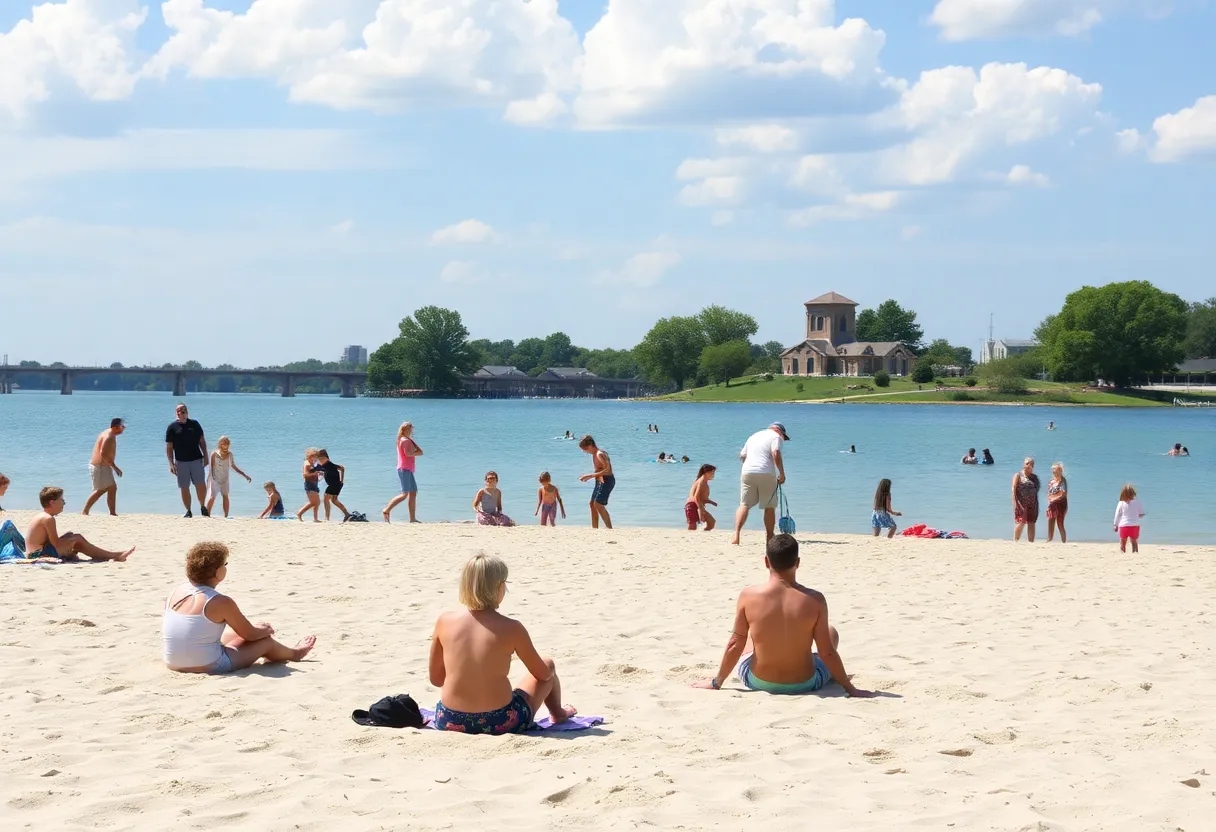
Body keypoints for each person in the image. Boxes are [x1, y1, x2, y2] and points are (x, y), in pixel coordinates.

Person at [694, 534, 875, 697]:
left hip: (757, 681)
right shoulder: (815, 599)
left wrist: (716, 682)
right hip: (805, 683)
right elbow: (826, 652)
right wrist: (850, 688)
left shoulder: (748, 596)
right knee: (831, 632)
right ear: (797, 562)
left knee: (747, 636)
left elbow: (735, 643)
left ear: (766, 561)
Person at [429, 554, 576, 734]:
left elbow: (436, 679)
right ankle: (558, 713)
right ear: (499, 587)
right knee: (548, 664)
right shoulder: (512, 628)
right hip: (499, 720)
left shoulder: (444, 621)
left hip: (449, 719)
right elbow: (543, 674)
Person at [163, 542, 316, 674]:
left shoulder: (176, 591)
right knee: (266, 642)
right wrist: (266, 630)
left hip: (172, 661)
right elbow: (251, 635)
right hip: (208, 665)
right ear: (217, 571)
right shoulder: (220, 601)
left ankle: (276, 648)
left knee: (231, 633)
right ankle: (295, 654)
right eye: (225, 564)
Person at [24, 487, 134, 562]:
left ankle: (110, 555)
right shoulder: (48, 519)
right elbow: (56, 544)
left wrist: (68, 539)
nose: (63, 503)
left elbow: (49, 542)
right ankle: (115, 555)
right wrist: (72, 541)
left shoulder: (42, 516)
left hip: (34, 552)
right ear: (52, 502)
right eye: (61, 500)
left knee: (72, 536)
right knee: (78, 538)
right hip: (38, 555)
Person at [731, 422, 789, 546]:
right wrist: (782, 474)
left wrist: (750, 466)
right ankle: (769, 537)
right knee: (769, 507)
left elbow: (742, 456)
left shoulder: (754, 436)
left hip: (747, 472)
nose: (783, 439)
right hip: (766, 473)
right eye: (784, 436)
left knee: (744, 504)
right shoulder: (776, 437)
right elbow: (776, 453)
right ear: (779, 431)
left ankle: (736, 535)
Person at [165, 403, 209, 518]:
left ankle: (203, 506)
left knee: (200, 485)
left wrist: (206, 456)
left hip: (196, 459)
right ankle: (188, 511)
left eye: (183, 410)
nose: (181, 412)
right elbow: (169, 447)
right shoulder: (172, 427)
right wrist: (171, 463)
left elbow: (202, 441)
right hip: (181, 461)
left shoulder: (194, 424)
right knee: (184, 487)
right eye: (179, 410)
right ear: (176, 413)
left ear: (187, 412)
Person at [82, 418, 125, 516]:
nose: (123, 429)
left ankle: (112, 513)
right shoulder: (109, 436)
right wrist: (115, 467)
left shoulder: (109, 433)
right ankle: (85, 511)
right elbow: (104, 454)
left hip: (103, 465)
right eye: (122, 427)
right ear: (115, 427)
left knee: (111, 488)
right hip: (100, 466)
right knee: (101, 489)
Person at [383, 422, 423, 523]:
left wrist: (413, 443)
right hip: (404, 469)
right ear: (405, 430)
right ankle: (386, 509)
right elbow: (408, 453)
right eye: (410, 429)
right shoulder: (405, 441)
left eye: (411, 429)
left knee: (413, 493)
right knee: (404, 494)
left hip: (407, 469)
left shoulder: (403, 439)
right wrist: (417, 451)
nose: (411, 431)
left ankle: (412, 519)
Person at [206, 436, 251, 519]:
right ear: (220, 443)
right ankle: (207, 515)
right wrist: (209, 479)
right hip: (215, 478)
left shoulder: (230, 454)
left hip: (225, 479)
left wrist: (244, 475)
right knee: (212, 496)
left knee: (225, 496)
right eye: (224, 442)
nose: (226, 444)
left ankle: (226, 516)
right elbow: (211, 468)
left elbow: (233, 466)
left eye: (228, 443)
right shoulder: (214, 453)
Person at [578, 435, 614, 529]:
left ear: (590, 445)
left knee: (598, 504)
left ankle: (610, 529)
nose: (584, 451)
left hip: (607, 480)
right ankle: (595, 529)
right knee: (592, 504)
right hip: (599, 480)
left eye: (585, 449)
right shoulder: (595, 454)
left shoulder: (600, 454)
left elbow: (608, 471)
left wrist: (590, 476)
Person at [1012, 457, 1040, 543]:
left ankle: (1031, 542)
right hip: (1021, 503)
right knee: (1021, 521)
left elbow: (1037, 489)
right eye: (1027, 463)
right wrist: (1015, 503)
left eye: (1031, 464)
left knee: (1031, 522)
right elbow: (1013, 489)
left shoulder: (1034, 477)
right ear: (1024, 464)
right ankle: (1015, 540)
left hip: (1033, 503)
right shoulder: (1018, 475)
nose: (1029, 465)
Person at [316, 449, 349, 522]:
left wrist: (342, 480)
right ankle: (347, 514)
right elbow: (341, 468)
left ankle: (327, 518)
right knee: (334, 500)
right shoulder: (325, 465)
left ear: (325, 458)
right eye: (318, 459)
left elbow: (342, 468)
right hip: (336, 484)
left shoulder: (329, 464)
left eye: (320, 458)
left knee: (325, 499)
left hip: (334, 484)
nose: (319, 460)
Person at [1113, 484, 1145, 553]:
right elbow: (1141, 514)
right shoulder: (1137, 502)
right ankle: (1135, 554)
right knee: (1134, 542)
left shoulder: (1121, 503)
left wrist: (1115, 525)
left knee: (1123, 543)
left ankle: (1122, 554)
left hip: (1123, 525)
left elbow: (1117, 515)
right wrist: (1137, 516)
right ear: (1133, 493)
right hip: (1134, 525)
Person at [685, 464, 718, 531]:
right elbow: (696, 497)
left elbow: (701, 497)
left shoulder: (702, 480)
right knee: (692, 526)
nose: (714, 475)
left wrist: (710, 501)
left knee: (711, 522)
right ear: (706, 472)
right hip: (692, 506)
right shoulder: (701, 482)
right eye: (712, 472)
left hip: (695, 505)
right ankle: (692, 537)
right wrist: (701, 510)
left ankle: (702, 533)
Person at [295, 448, 322, 522]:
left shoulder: (312, 463)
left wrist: (319, 473)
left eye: (317, 456)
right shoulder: (307, 464)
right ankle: (299, 513)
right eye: (315, 456)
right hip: (309, 484)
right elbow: (305, 475)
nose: (316, 458)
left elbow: (315, 471)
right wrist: (315, 473)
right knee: (313, 502)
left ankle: (315, 518)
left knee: (317, 502)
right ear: (310, 456)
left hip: (314, 483)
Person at [1045, 462, 1068, 544]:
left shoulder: (1062, 480)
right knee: (1050, 520)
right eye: (1052, 469)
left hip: (1061, 504)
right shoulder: (1051, 482)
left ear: (1060, 470)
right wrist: (1050, 502)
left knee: (1060, 523)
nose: (1053, 471)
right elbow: (1049, 493)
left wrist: (1054, 499)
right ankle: (1049, 539)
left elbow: (1063, 494)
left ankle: (1063, 542)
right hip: (1052, 504)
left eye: (1055, 469)